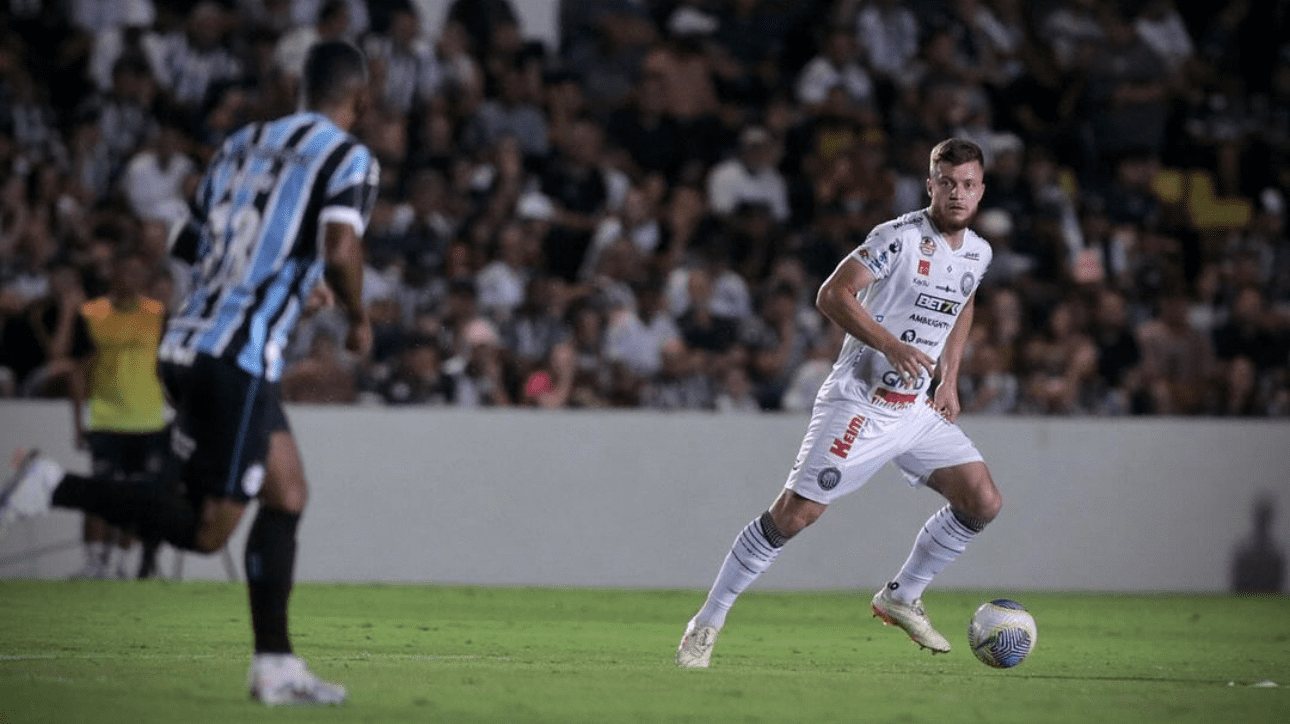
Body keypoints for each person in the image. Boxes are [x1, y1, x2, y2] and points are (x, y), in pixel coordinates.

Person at [0, 40, 378, 705]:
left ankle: (276, 666)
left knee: (287, 494)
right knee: (205, 532)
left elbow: (185, 240)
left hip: (186, 344)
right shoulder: (349, 156)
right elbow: (343, 249)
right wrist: (355, 313)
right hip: (237, 356)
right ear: (361, 96)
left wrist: (286, 279)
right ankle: (54, 485)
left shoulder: (240, 143)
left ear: (299, 87)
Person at [676, 138, 1002, 667]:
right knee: (796, 514)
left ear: (981, 190)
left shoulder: (979, 252)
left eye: (967, 185)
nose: (957, 194)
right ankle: (706, 621)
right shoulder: (896, 238)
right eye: (947, 183)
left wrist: (950, 378)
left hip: (914, 409)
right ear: (930, 185)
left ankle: (902, 595)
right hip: (859, 401)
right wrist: (892, 345)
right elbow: (831, 294)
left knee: (982, 500)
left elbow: (964, 301)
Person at [70, 248, 169, 580]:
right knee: (100, 492)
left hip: (148, 422)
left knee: (138, 496)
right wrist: (77, 420)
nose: (132, 279)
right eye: (125, 272)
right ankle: (95, 561)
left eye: (138, 273)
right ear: (112, 276)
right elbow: (78, 371)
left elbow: (165, 368)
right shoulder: (92, 313)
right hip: (106, 419)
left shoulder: (158, 314)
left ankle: (125, 562)